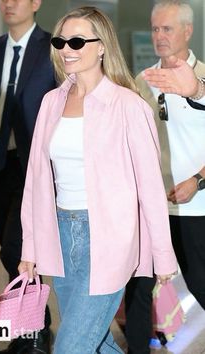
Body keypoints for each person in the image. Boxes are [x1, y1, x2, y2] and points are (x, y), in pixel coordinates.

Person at [18, 6, 177, 354]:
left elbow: (150, 189)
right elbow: (35, 181)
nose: (66, 49)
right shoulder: (51, 103)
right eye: (61, 41)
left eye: (77, 41)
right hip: (59, 236)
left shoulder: (129, 106)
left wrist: (163, 257)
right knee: (97, 342)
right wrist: (30, 247)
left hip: (109, 240)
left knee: (70, 347)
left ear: (102, 46)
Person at [0, 0, 56, 353]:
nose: (8, 3)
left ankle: (36, 330)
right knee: (14, 256)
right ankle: (23, 334)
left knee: (15, 248)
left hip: (34, 166)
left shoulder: (53, 48)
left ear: (35, 3)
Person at [126, 4, 205, 352]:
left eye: (167, 29)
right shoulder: (143, 81)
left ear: (187, 31)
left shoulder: (202, 79)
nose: (159, 36)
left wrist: (198, 181)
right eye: (155, 29)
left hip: (196, 205)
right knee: (139, 284)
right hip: (150, 206)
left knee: (200, 282)